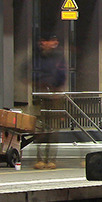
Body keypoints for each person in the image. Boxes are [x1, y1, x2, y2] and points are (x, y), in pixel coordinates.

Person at [31, 33, 67, 169]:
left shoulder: (59, 57)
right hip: (41, 96)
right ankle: (40, 159)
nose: (51, 44)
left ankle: (51, 159)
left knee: (54, 130)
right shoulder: (37, 57)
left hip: (55, 96)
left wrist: (56, 88)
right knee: (40, 130)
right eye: (48, 41)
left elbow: (61, 75)